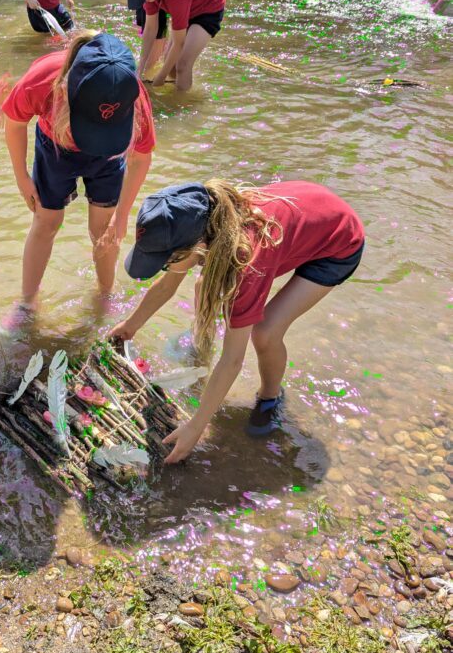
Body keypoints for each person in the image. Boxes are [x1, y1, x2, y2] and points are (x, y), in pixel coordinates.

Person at [110, 180, 365, 463]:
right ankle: (201, 346)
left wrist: (197, 425)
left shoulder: (247, 263)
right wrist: (130, 325)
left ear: (199, 245)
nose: (166, 266)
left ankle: (270, 398)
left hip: (337, 243)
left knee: (265, 332)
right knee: (202, 286)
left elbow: (233, 359)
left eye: (167, 260)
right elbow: (166, 286)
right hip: (307, 214)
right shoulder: (201, 217)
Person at [1, 31, 155, 329]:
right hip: (56, 148)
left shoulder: (130, 93)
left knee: (104, 229)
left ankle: (105, 295)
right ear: (64, 91)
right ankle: (27, 302)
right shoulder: (43, 80)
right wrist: (21, 176)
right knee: (46, 221)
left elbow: (141, 158)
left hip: (109, 157)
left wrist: (122, 215)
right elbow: (15, 121)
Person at [120, 0, 225, 90]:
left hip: (209, 7)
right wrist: (139, 69)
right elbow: (150, 29)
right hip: (189, 3)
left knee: (182, 65)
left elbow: (178, 43)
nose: (142, 0)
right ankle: (179, 86)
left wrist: (160, 78)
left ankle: (180, 105)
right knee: (170, 65)